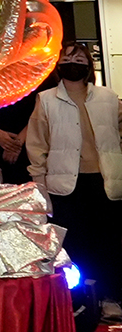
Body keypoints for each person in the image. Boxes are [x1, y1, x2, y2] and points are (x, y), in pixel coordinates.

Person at [27, 41, 121, 309]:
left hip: (106, 181)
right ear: (58, 64)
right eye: (67, 58)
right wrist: (39, 184)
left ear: (89, 66)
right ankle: (79, 301)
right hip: (65, 183)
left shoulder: (108, 97)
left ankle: (110, 297)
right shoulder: (46, 99)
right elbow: (36, 145)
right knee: (75, 243)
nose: (73, 63)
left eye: (80, 59)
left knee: (109, 241)